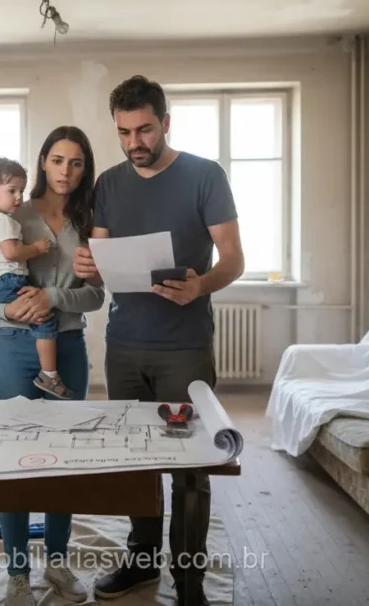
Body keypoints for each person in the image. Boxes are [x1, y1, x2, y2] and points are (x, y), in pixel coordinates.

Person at [72, 76, 245, 605]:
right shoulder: (108, 184)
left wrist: (200, 285)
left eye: (144, 129)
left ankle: (189, 582)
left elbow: (235, 258)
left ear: (166, 123)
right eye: (124, 132)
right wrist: (87, 266)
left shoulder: (204, 176)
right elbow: (98, 263)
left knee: (191, 466)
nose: (134, 142)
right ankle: (142, 563)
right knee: (134, 462)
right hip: (123, 346)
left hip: (184, 348)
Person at [0, 125, 102, 606]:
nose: (67, 170)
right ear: (43, 162)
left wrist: (52, 296)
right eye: (58, 160)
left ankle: (56, 564)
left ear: (84, 169)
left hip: (69, 349)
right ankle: (18, 574)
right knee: (10, 464)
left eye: (77, 162)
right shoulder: (11, 211)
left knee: (64, 463)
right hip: (12, 349)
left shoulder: (90, 219)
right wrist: (6, 310)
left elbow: (97, 295)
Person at [0, 156, 75, 401]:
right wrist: (36, 248)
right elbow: (11, 252)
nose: (18, 197)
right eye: (11, 190)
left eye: (21, 191)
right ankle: (49, 374)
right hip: (8, 281)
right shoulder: (6, 222)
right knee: (44, 319)